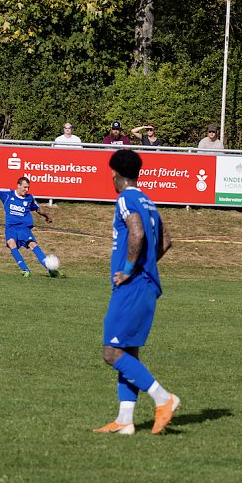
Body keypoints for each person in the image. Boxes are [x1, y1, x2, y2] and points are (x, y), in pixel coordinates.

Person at [93, 149, 177, 436]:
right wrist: (147, 266)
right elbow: (166, 241)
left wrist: (130, 269)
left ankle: (163, 399)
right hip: (146, 285)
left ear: (114, 173)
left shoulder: (126, 198)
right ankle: (125, 420)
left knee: (111, 351)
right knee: (128, 350)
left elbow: (137, 232)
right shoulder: (148, 200)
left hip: (131, 286)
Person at [0, 175, 57, 276]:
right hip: (11, 227)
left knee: (32, 244)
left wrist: (47, 216)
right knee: (11, 243)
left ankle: (50, 270)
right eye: (25, 187)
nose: (27, 189)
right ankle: (25, 270)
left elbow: (38, 209)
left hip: (24, 227)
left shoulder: (30, 198)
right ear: (18, 186)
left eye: (28, 187)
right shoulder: (7, 194)